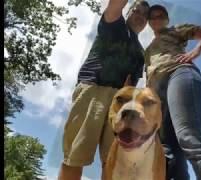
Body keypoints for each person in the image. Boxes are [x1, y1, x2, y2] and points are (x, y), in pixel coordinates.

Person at [58, 1, 150, 180]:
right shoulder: (115, 24)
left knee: (114, 162)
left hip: (120, 105)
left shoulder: (140, 52)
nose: (140, 16)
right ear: (128, 12)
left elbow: (131, 83)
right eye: (136, 11)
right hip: (94, 90)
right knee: (76, 155)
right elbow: (114, 6)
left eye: (144, 15)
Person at [145, 4, 201, 180]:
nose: (156, 19)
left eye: (160, 16)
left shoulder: (175, 30)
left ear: (167, 19)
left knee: (189, 136)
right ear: (149, 22)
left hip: (178, 74)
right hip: (158, 94)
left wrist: (197, 50)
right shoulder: (147, 50)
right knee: (167, 149)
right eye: (152, 17)